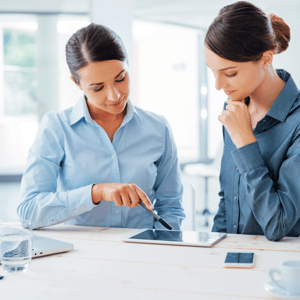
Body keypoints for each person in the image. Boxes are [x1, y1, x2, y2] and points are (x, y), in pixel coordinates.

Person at [18, 23, 185, 230]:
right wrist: (97, 192)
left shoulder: (158, 128)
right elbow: (28, 212)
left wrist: (159, 248)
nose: (115, 96)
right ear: (77, 83)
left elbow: (172, 208)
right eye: (98, 88)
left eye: (120, 78)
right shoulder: (57, 128)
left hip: (143, 252)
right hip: (80, 255)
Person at [205, 1, 300, 241]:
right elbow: (228, 202)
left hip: (280, 269)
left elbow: (278, 224)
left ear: (266, 59)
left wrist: (246, 142)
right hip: (230, 265)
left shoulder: (296, 122)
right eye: (213, 71)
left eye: (230, 73)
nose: (218, 85)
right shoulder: (234, 110)